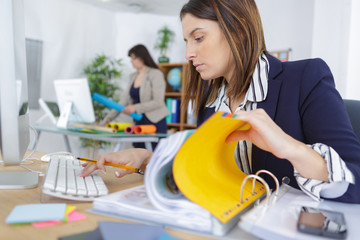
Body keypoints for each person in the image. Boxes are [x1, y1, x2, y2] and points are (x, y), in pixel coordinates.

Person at [82, 0, 360, 204]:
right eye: (186, 41)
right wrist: (146, 158)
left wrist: (288, 146)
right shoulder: (211, 99)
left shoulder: (305, 78)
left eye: (199, 38)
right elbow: (206, 168)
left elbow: (355, 179)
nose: (189, 53)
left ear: (238, 30)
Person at [101, 44, 169, 150]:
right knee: (138, 154)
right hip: (139, 121)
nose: (131, 61)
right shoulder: (133, 76)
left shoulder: (156, 74)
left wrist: (135, 107)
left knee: (153, 156)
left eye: (133, 58)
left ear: (141, 57)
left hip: (155, 121)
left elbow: (158, 101)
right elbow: (123, 100)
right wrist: (109, 117)